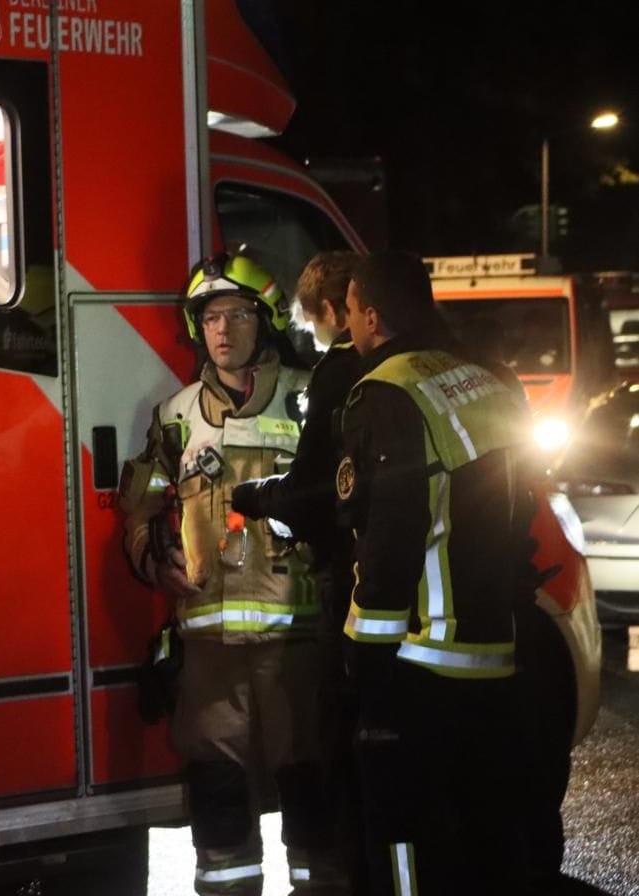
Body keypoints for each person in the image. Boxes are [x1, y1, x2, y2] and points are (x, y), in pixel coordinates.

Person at [121, 253, 339, 895]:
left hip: (297, 644)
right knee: (217, 811)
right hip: (209, 654)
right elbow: (140, 504)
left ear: (265, 319)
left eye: (235, 314)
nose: (220, 329)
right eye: (209, 317)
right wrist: (152, 556)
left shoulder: (314, 399)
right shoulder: (176, 415)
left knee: (313, 801)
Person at [336, 251, 535, 894]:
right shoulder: (490, 378)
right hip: (495, 653)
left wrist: (366, 664)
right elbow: (522, 504)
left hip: (422, 660)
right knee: (486, 826)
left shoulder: (385, 391)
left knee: (401, 828)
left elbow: (390, 536)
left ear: (369, 313)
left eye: (347, 312)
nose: (347, 327)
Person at [228, 250, 366, 894]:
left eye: (311, 326)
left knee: (346, 742)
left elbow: (315, 492)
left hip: (357, 589)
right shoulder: (425, 363)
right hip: (439, 596)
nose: (309, 341)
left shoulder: (339, 372)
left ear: (335, 312)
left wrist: (257, 498)